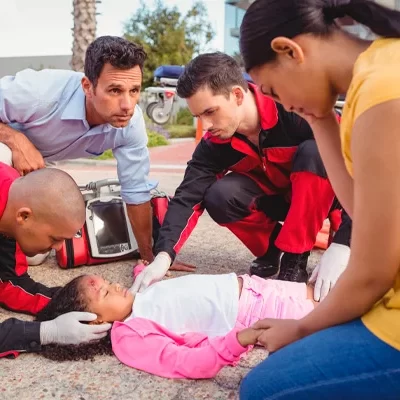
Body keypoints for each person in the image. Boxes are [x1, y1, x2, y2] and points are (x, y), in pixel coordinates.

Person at [238, 0, 400, 398]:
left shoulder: (382, 93)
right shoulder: (377, 72)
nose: (283, 106)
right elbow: (362, 211)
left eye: (274, 91)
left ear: (290, 51)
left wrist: (301, 327)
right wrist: (318, 119)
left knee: (262, 390)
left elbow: (372, 273)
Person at [132, 51, 351, 294]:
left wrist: (344, 243)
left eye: (210, 112)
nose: (205, 126)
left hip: (331, 200)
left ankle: (294, 259)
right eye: (198, 116)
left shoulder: (296, 108)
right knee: (219, 195)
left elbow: (366, 172)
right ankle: (272, 251)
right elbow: (188, 196)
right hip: (280, 199)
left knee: (315, 152)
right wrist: (163, 257)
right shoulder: (215, 142)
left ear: (237, 95)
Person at [0, 35, 156, 263]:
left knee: (33, 250)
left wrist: (148, 256)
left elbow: (136, 191)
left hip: (39, 165)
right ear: (87, 87)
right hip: (6, 148)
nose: (127, 105)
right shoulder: (39, 92)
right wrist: (15, 140)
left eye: (134, 91)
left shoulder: (131, 125)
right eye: (114, 90)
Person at [35, 262, 318, 378]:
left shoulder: (134, 299)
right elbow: (186, 362)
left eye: (108, 281)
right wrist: (242, 338)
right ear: (94, 321)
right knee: (344, 314)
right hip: (258, 313)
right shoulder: (129, 335)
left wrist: (147, 264)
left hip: (258, 287)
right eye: (106, 292)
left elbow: (144, 284)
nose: (115, 286)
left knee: (339, 296)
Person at [0, 162, 111, 357]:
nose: (59, 248)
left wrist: (78, 300)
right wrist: (44, 332)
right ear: (24, 216)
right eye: (55, 238)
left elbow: (9, 283)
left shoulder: (13, 195)